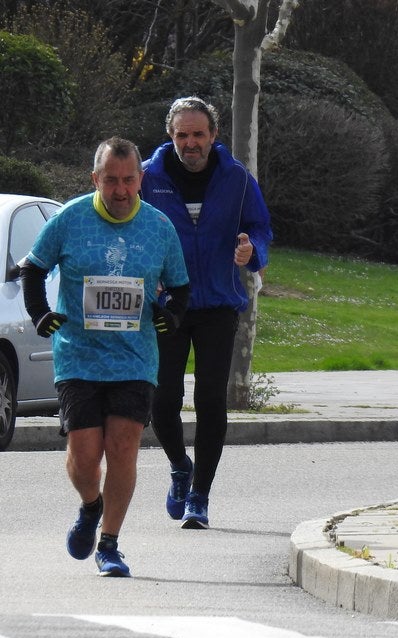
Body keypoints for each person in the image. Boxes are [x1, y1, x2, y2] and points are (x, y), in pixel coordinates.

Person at [21, 137, 190, 577]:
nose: (120, 190)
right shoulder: (70, 218)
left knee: (123, 447)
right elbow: (33, 267)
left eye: (129, 180)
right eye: (111, 180)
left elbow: (180, 287)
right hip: (79, 354)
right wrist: (41, 314)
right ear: (95, 179)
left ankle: (110, 543)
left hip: (135, 358)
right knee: (84, 454)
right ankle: (90, 505)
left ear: (141, 178)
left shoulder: (158, 227)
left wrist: (169, 316)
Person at [142, 96, 272, 530]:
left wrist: (251, 250)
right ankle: (181, 467)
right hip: (168, 305)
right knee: (162, 400)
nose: (190, 143)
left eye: (198, 134)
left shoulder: (236, 179)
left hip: (219, 303)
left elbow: (261, 227)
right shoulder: (147, 177)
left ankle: (200, 495)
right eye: (182, 135)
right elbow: (129, 227)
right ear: (171, 136)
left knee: (211, 401)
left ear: (213, 136)